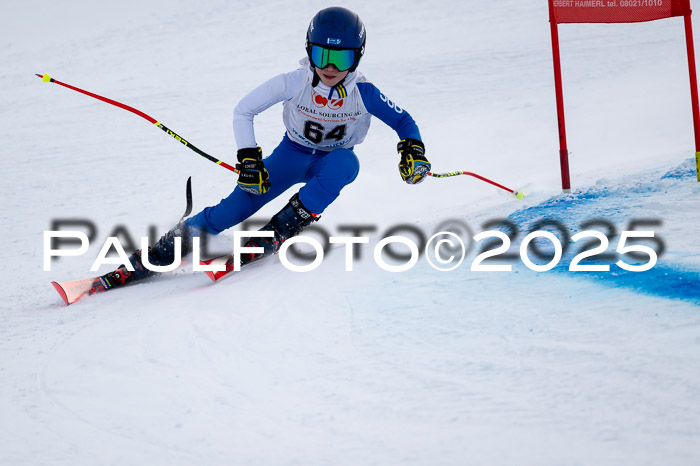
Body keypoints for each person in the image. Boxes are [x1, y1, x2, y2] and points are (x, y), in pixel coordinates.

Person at [106, 6, 431, 286]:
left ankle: (282, 228)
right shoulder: (294, 81)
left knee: (346, 163)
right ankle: (163, 249)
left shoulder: (365, 92)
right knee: (230, 212)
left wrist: (413, 151)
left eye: (341, 58)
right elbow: (243, 110)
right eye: (321, 55)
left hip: (329, 162)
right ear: (309, 50)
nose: (330, 67)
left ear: (357, 57)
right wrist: (249, 160)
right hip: (291, 155)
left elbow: (405, 122)